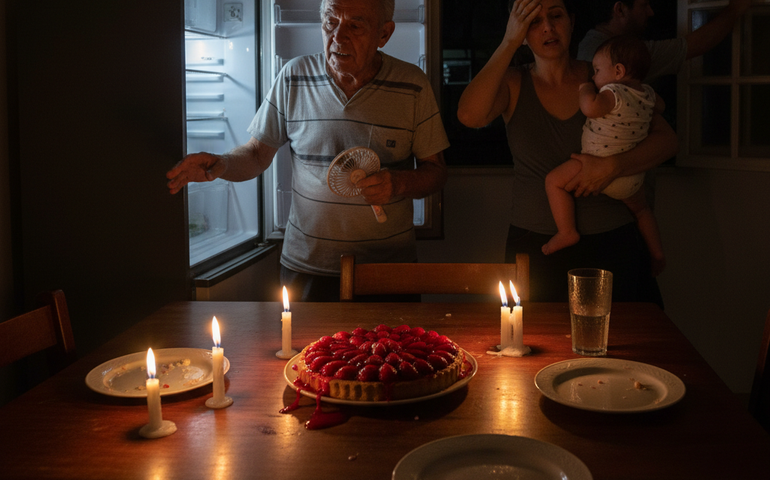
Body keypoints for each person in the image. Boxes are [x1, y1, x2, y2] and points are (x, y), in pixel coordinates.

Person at [166, 0, 449, 302]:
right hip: (307, 265)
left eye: (355, 25)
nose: (338, 37)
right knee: (304, 350)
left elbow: (437, 173)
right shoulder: (293, 77)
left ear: (384, 34)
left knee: (391, 351)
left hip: (388, 268)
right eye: (330, 22)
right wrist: (219, 165)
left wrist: (399, 183)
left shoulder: (412, 86)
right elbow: (256, 155)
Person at [457, 0, 678, 305]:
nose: (548, 27)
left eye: (556, 15)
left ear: (572, 22)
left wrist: (612, 166)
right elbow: (469, 115)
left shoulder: (602, 79)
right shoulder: (514, 81)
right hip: (536, 241)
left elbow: (668, 140)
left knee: (620, 343)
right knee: (535, 345)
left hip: (611, 236)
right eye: (533, 21)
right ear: (520, 30)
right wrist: (509, 41)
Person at [543, 35, 666, 277]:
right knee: (642, 211)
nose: (594, 76)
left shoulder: (613, 92)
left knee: (553, 182)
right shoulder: (648, 94)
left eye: (597, 70)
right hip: (631, 178)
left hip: (593, 165)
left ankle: (567, 232)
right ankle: (658, 252)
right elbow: (660, 106)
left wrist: (586, 88)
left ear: (618, 71)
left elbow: (590, 107)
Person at [577, 0, 751, 81]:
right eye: (644, 5)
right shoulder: (616, 54)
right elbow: (692, 46)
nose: (651, 12)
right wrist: (735, 9)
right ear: (620, 10)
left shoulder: (592, 43)